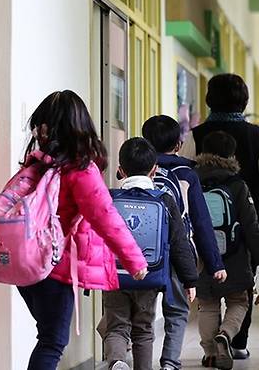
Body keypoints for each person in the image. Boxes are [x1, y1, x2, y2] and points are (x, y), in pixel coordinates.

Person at [16, 91, 149, 370]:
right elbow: (105, 217)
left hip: (26, 263)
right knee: (52, 341)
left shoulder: (37, 165)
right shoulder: (79, 170)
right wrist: (135, 260)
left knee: (48, 337)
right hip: (54, 267)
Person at [181, 73, 259, 360]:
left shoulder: (196, 135)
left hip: (203, 228)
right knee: (242, 286)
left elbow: (184, 178)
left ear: (210, 99)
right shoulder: (256, 135)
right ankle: (237, 342)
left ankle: (210, 348)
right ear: (244, 101)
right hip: (246, 226)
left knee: (208, 292)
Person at [102, 138, 198, 370]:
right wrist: (190, 279)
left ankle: (117, 361)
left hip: (114, 274)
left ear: (120, 170)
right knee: (143, 330)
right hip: (149, 275)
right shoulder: (164, 200)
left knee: (116, 326)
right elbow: (179, 243)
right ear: (154, 169)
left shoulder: (109, 198)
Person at [141, 115, 227, 370]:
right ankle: (169, 362)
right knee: (177, 310)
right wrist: (214, 263)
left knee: (140, 313)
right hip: (180, 252)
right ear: (178, 144)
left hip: (142, 253)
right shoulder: (188, 174)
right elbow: (201, 223)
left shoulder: (134, 167)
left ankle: (123, 357)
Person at [194, 132, 259, 370]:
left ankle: (210, 353)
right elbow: (252, 229)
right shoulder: (237, 185)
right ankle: (226, 334)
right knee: (239, 302)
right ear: (231, 155)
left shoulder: (192, 181)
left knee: (207, 305)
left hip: (203, 257)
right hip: (235, 257)